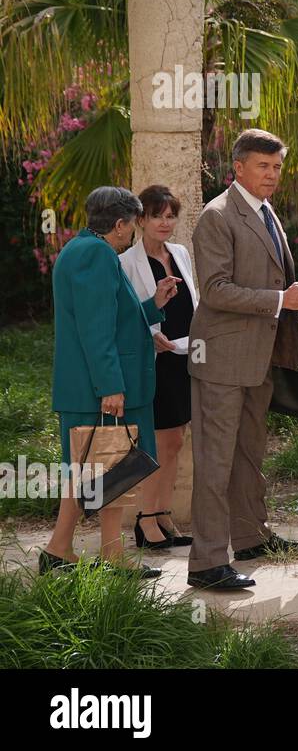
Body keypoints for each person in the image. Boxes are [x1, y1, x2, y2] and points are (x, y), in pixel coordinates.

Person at [186, 129, 298, 591]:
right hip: (222, 361)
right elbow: (215, 290)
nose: (272, 174)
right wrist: (283, 299)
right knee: (215, 461)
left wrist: (292, 297)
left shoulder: (266, 213)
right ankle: (206, 564)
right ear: (239, 168)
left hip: (260, 360)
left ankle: (249, 538)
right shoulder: (217, 215)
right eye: (263, 166)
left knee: (249, 454)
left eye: (277, 167)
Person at [43, 186, 178, 578]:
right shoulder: (96, 254)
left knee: (90, 471)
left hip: (96, 386)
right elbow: (95, 329)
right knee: (113, 470)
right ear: (119, 225)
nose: (134, 231)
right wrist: (111, 387)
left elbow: (110, 315)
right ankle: (108, 558)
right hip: (99, 390)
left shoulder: (84, 249)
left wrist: (154, 304)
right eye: (133, 223)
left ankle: (60, 550)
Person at [119, 185, 197, 549]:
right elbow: (124, 317)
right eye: (157, 216)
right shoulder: (125, 263)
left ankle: (162, 513)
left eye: (170, 216)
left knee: (176, 441)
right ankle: (145, 519)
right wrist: (150, 335)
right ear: (140, 220)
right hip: (155, 362)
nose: (165, 223)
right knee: (158, 443)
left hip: (185, 357)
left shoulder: (179, 252)